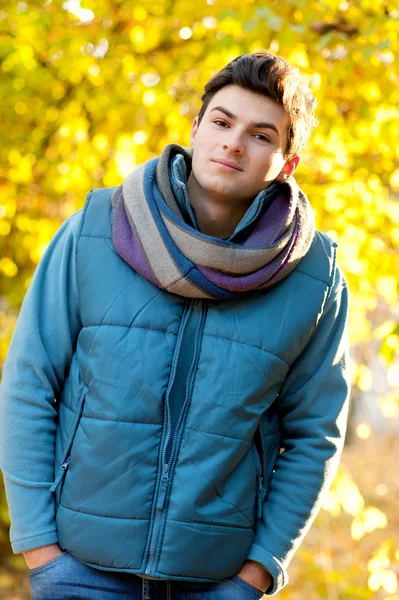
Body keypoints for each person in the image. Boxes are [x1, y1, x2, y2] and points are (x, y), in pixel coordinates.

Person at [0, 50, 350, 599]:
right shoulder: (95, 228)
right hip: (78, 574)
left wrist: (256, 574)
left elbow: (315, 437)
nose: (233, 143)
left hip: (215, 583)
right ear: (195, 129)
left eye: (261, 135)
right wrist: (41, 550)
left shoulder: (314, 277)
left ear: (287, 164)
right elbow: (28, 384)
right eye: (221, 121)